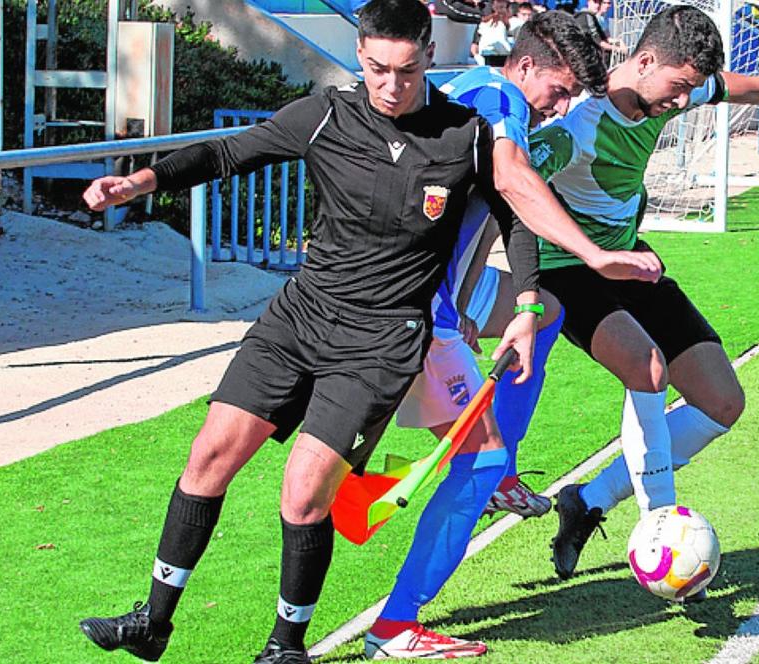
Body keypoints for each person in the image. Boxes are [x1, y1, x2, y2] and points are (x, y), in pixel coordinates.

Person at [73, 1, 546, 662]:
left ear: (429, 58)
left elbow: (519, 215)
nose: (390, 85)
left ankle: (285, 646)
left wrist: (525, 302)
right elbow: (226, 152)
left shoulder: (466, 137)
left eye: (406, 71)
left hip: (381, 344)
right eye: (377, 69)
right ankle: (152, 622)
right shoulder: (324, 114)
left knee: (303, 494)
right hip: (298, 319)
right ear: (360, 58)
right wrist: (142, 181)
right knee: (209, 457)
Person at [523, 5, 759, 581]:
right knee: (647, 368)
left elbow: (750, 86)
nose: (682, 103)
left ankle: (588, 500)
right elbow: (511, 181)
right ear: (644, 61)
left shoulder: (665, 87)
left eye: (690, 91)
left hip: (631, 261)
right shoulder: (576, 126)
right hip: (569, 270)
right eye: (678, 88)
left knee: (722, 403)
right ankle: (661, 533)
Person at [365, 11, 663, 658]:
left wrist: (473, 298)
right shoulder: (497, 98)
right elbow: (511, 186)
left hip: (432, 291)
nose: (561, 106)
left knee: (546, 312)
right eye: (558, 91)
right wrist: (593, 253)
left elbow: (463, 212)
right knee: (479, 460)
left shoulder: (481, 91)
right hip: (411, 305)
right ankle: (394, 625)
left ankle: (494, 474)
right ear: (525, 66)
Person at [472, 0, 515, 66]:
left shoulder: (507, 23)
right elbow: (474, 46)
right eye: (501, 7)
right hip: (491, 55)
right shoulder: (486, 23)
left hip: (498, 55)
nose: (503, 10)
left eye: (504, 7)